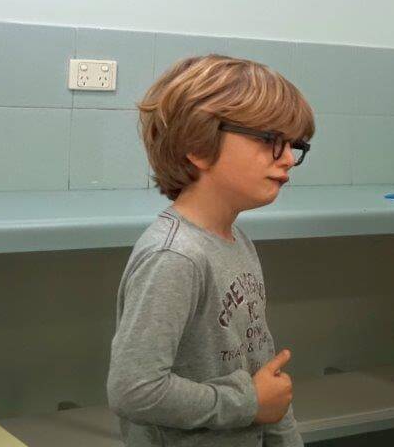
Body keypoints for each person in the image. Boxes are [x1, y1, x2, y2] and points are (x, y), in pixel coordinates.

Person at [107, 55, 314, 447]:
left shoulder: (238, 241)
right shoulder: (175, 257)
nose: (288, 158)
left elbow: (262, 370)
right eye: (269, 139)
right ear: (197, 146)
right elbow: (134, 390)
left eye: (294, 145)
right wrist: (249, 403)